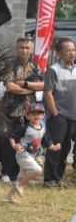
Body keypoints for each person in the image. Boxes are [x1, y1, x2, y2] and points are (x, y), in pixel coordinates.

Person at [2, 37, 44, 190]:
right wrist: (29, 90)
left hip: (30, 111)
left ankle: (23, 172)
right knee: (9, 142)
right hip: (12, 110)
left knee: (26, 142)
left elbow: (43, 84)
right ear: (16, 48)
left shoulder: (35, 66)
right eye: (21, 47)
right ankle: (6, 173)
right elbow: (9, 86)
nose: (24, 50)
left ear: (31, 49)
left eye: (27, 47)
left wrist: (26, 84)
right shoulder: (9, 65)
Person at [7, 102, 58, 203]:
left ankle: (10, 196)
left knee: (22, 177)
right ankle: (19, 186)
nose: (37, 116)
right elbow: (12, 136)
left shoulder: (43, 126)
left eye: (39, 113)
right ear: (28, 116)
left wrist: (53, 147)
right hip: (22, 154)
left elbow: (45, 140)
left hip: (32, 155)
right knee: (38, 171)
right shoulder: (25, 128)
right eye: (33, 114)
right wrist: (14, 145)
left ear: (43, 115)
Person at [43, 38, 76, 187]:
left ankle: (59, 177)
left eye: (73, 50)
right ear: (59, 52)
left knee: (66, 149)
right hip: (60, 116)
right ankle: (50, 179)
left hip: (74, 116)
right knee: (56, 148)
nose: (72, 53)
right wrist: (55, 114)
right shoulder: (53, 69)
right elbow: (48, 93)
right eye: (68, 50)